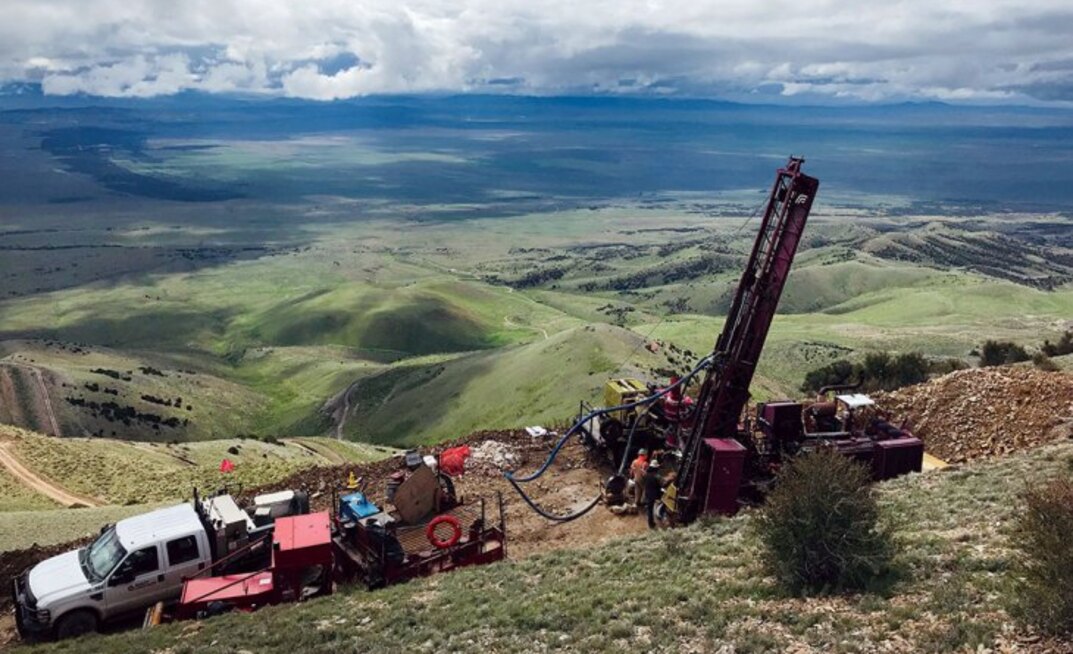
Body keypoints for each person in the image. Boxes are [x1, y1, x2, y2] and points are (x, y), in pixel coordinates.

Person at [643, 459, 663, 529]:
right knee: (657, 508)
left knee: (649, 509)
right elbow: (662, 484)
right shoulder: (657, 476)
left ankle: (650, 524)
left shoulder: (646, 474)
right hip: (656, 494)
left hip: (648, 494)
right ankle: (659, 523)